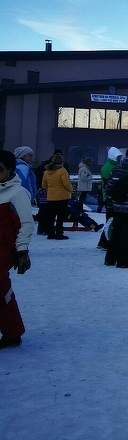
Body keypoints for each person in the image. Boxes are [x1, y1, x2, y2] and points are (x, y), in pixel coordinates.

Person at [0, 150, 34, 350]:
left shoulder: (17, 193)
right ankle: (13, 332)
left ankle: (13, 332)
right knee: (2, 290)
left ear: (10, 170)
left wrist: (21, 250)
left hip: (4, 250)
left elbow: (26, 223)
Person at [41, 154, 73, 240]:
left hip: (51, 197)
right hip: (62, 196)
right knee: (60, 216)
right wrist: (71, 190)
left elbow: (44, 185)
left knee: (51, 216)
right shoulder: (62, 171)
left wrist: (51, 189)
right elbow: (66, 183)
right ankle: (59, 233)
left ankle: (51, 233)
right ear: (62, 162)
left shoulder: (47, 171)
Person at [97, 147, 123, 249]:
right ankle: (105, 242)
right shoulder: (109, 168)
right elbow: (109, 184)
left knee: (110, 220)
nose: (120, 159)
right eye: (118, 157)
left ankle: (103, 241)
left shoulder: (109, 166)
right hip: (110, 198)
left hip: (108, 197)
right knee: (111, 221)